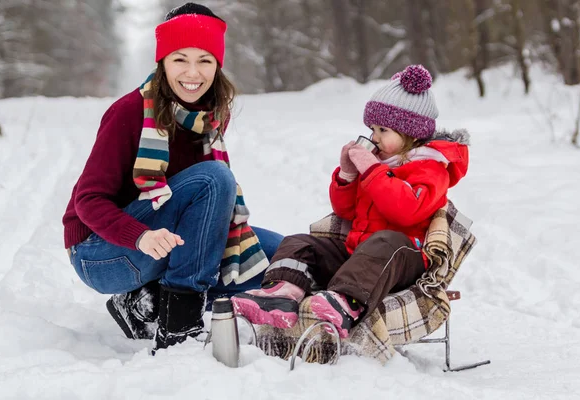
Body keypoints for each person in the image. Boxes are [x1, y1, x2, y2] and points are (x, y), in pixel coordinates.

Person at [62, 2, 283, 353]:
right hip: (102, 253)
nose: (192, 73)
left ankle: (144, 303)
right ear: (162, 61)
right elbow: (88, 201)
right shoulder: (130, 112)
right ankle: (178, 323)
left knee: (281, 257)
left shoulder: (210, 118)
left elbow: (200, 210)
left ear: (217, 65)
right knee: (215, 178)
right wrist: (141, 236)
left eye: (204, 60)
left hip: (165, 237)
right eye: (180, 59)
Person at [231, 65, 469, 338]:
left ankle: (346, 302)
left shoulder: (431, 167)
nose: (374, 137)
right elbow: (344, 211)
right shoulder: (380, 164)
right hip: (359, 256)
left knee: (387, 241)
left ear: (411, 134)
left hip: (403, 260)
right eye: (371, 128)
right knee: (300, 242)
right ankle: (282, 293)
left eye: (383, 130)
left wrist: (372, 170)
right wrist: (347, 175)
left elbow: (406, 211)